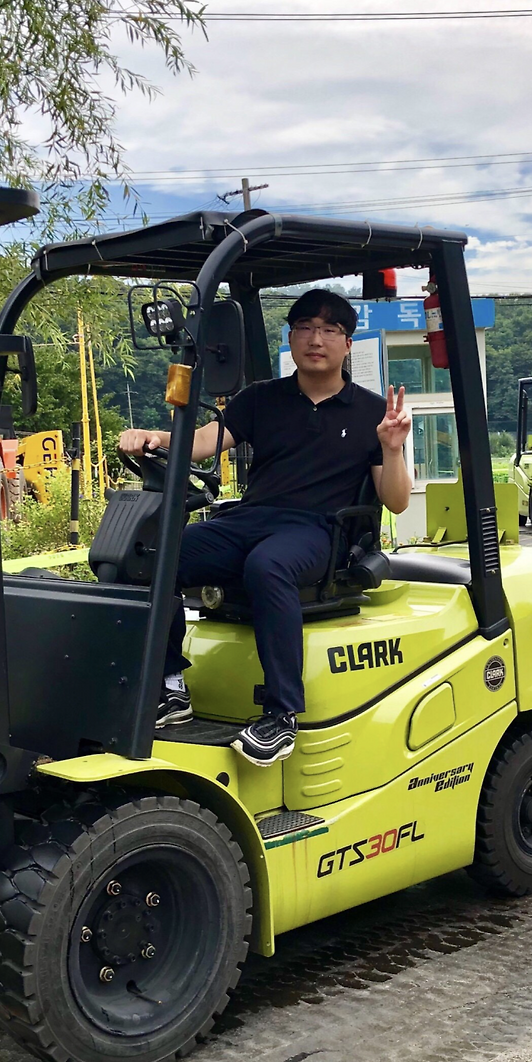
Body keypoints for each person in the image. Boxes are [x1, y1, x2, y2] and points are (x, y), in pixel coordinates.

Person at [118, 289, 412, 766]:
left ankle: (281, 714)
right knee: (154, 552)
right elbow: (201, 442)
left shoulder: (372, 412)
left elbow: (396, 500)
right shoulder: (261, 398)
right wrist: (153, 437)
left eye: (329, 330)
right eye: (305, 328)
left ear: (347, 343)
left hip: (318, 531)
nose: (315, 339)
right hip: (252, 519)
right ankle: (169, 685)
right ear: (291, 339)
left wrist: (393, 448)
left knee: (267, 565)